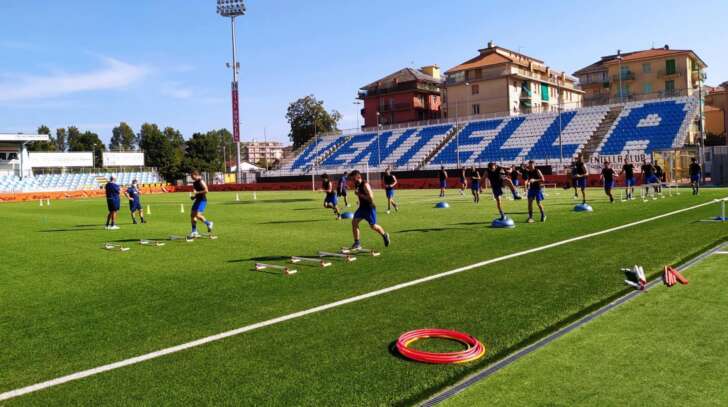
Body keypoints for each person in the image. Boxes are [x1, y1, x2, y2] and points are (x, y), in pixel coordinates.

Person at [348, 170, 390, 250]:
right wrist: (359, 199)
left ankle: (384, 235)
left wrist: (359, 194)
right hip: (362, 208)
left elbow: (371, 197)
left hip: (369, 208)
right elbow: (362, 195)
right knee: (354, 222)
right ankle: (357, 243)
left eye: (353, 179)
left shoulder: (365, 184)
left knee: (373, 226)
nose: (352, 181)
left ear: (358, 177)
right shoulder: (357, 184)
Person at [189, 170, 214, 238]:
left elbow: (206, 190)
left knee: (197, 215)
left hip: (202, 200)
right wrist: (194, 197)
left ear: (196, 175)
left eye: (192, 176)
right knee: (192, 215)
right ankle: (194, 231)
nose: (191, 177)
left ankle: (209, 223)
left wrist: (197, 193)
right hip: (197, 200)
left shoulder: (201, 181)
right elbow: (196, 193)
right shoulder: (194, 183)